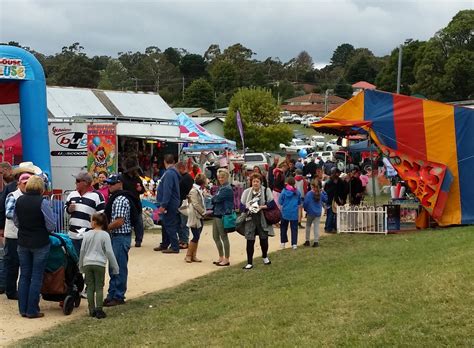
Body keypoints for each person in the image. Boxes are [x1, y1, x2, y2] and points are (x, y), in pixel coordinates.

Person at [14, 175, 56, 318]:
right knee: (36, 276)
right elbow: (51, 225)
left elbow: (16, 222)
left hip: (23, 242)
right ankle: (32, 310)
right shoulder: (42, 202)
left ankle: (23, 309)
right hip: (40, 242)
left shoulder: (19, 200)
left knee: (24, 275)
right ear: (41, 188)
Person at [79, 213, 119, 319]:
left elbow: (82, 250)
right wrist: (115, 266)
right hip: (99, 263)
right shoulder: (105, 235)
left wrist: (81, 264)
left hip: (87, 263)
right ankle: (99, 310)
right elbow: (109, 252)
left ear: (95, 222)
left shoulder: (87, 234)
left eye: (91, 220)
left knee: (90, 287)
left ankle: (91, 310)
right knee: (99, 287)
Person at [103, 174, 133, 307]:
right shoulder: (115, 198)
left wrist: (104, 228)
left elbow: (119, 221)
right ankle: (112, 294)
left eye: (112, 183)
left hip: (120, 236)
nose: (109, 186)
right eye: (108, 183)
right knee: (114, 267)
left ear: (120, 183)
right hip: (117, 237)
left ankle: (118, 295)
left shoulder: (120, 199)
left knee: (118, 267)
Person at [3, 173, 31, 300]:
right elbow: (8, 213)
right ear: (19, 184)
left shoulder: (28, 196)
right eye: (24, 183)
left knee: (24, 264)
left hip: (24, 235)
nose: (26, 186)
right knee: (12, 263)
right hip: (13, 235)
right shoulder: (12, 195)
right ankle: (10, 291)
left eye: (28, 183)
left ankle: (21, 289)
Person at [65, 171, 105, 255]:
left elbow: (101, 216)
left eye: (78, 181)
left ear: (86, 183)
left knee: (87, 262)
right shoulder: (72, 194)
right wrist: (69, 209)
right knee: (75, 263)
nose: (75, 182)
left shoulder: (97, 196)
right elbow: (65, 209)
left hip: (88, 237)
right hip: (72, 236)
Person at [240, 173, 275, 270]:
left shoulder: (266, 191)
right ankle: (249, 262)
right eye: (253, 181)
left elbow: (272, 204)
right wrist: (249, 208)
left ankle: (265, 256)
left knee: (264, 239)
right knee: (250, 240)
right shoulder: (247, 192)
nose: (255, 183)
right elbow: (241, 206)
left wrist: (261, 207)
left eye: (257, 181)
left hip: (262, 218)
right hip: (250, 218)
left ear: (261, 182)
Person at [154, 154, 181, 254]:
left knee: (169, 224)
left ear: (165, 162)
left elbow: (167, 190)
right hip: (171, 202)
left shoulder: (169, 174)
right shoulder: (172, 173)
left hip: (169, 203)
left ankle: (174, 246)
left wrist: (163, 204)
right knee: (165, 224)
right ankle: (165, 243)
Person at [120, 158, 145, 248]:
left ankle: (138, 240)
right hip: (125, 203)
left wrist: (140, 189)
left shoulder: (137, 178)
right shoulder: (121, 178)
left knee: (139, 223)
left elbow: (142, 190)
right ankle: (127, 239)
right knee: (126, 223)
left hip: (136, 203)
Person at [211, 169, 233, 266]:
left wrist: (213, 198)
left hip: (222, 215)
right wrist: (214, 198)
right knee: (215, 236)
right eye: (219, 177)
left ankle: (226, 258)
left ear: (226, 177)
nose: (220, 179)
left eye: (222, 177)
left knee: (223, 236)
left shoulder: (227, 189)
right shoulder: (221, 188)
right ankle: (221, 256)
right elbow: (215, 199)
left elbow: (216, 199)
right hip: (216, 214)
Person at [184, 174, 208, 263]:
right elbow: (195, 204)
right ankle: (188, 255)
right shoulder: (194, 191)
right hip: (195, 216)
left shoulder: (200, 190)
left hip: (199, 216)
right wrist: (203, 212)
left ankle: (193, 255)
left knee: (197, 236)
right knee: (196, 236)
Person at [279, 177, 301, 249]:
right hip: (294, 213)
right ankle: (294, 244)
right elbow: (299, 202)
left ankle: (283, 243)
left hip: (285, 212)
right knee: (294, 229)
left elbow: (280, 201)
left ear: (287, 183)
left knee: (283, 228)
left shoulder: (284, 191)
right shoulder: (297, 192)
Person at [303, 179, 326, 247]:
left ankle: (307, 240)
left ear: (311, 186)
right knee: (316, 227)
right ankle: (316, 241)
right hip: (318, 212)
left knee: (308, 226)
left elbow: (305, 203)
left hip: (310, 212)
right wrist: (324, 192)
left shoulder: (309, 194)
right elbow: (325, 199)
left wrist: (305, 209)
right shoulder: (320, 193)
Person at [323, 168, 347, 233]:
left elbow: (342, 191)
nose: (338, 174)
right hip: (330, 200)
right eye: (337, 173)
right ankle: (328, 228)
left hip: (337, 200)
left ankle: (334, 227)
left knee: (336, 215)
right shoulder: (329, 182)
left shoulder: (340, 181)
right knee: (330, 215)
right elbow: (327, 192)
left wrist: (342, 199)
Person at [177, 162, 194, 249]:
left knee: (184, 223)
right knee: (180, 223)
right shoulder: (183, 177)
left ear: (181, 168)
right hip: (181, 202)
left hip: (185, 202)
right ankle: (181, 239)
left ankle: (185, 241)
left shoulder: (187, 178)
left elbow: (189, 191)